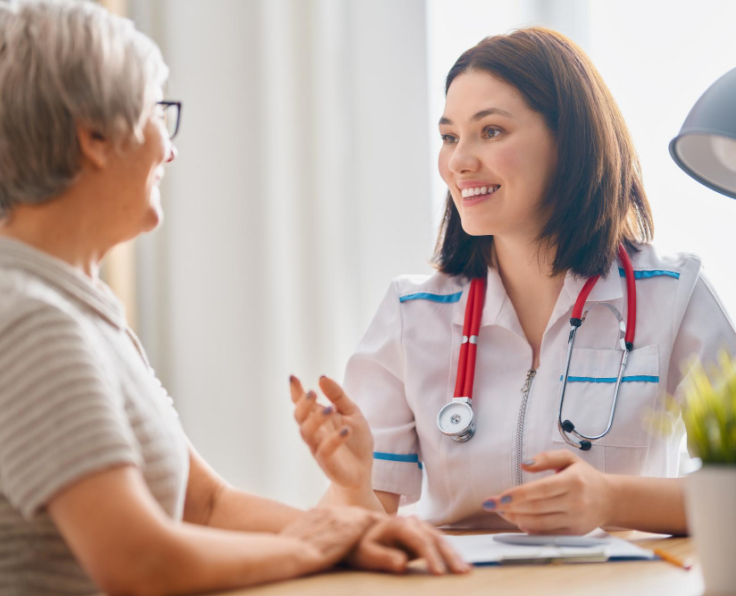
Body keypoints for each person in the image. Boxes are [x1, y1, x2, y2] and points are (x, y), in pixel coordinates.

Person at [0, 2, 468, 595]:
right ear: (93, 136)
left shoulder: (80, 309)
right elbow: (137, 563)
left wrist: (349, 532)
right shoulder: (29, 319)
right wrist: (316, 546)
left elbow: (208, 505)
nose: (169, 151)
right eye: (155, 115)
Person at [291, 27, 736, 535]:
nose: (459, 161)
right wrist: (350, 485)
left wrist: (612, 499)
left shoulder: (672, 293)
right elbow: (360, 526)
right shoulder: (412, 314)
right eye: (450, 137)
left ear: (569, 142)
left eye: (492, 131)